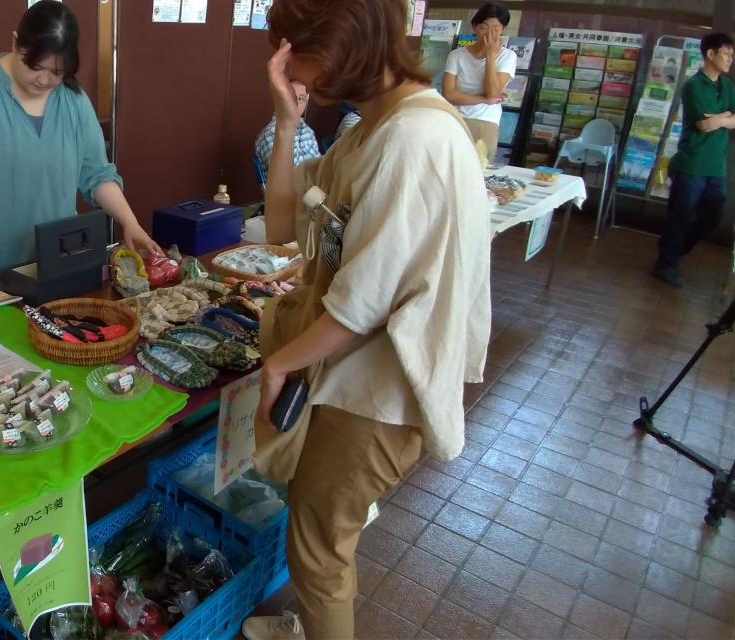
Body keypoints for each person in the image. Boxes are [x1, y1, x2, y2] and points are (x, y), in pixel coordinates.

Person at [242, 0, 491, 637]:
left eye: (293, 51)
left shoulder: (414, 137)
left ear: (338, 46)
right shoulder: (373, 128)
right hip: (354, 374)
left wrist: (279, 364)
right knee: (318, 528)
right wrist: (285, 121)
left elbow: (363, 304)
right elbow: (284, 223)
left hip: (379, 390)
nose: (288, 68)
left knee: (319, 549)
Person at [0, 0, 160, 291]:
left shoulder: (73, 100)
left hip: (52, 261)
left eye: (57, 72)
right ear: (15, 43)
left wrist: (130, 222)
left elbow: (97, 174)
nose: (44, 80)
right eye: (35, 66)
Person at [652, 32, 735, 288]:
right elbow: (704, 124)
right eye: (726, 54)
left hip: (716, 167)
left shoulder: (728, 86)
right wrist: (727, 118)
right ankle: (666, 265)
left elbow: (716, 121)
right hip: (691, 163)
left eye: (732, 55)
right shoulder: (694, 85)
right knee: (680, 215)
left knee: (712, 218)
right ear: (710, 54)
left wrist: (720, 119)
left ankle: (672, 251)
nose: (730, 59)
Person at [441, 3, 517, 160]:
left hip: (485, 121)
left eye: (496, 29)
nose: (489, 34)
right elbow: (449, 94)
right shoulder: (456, 55)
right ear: (475, 27)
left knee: (480, 168)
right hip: (455, 118)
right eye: (484, 27)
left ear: (503, 29)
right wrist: (484, 99)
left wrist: (490, 55)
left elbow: (493, 92)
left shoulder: (508, 56)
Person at [254, 81, 320, 186]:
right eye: (290, 98)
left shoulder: (307, 130)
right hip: (293, 194)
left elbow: (320, 169)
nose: (295, 104)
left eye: (300, 99)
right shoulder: (272, 134)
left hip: (314, 190)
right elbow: (292, 181)